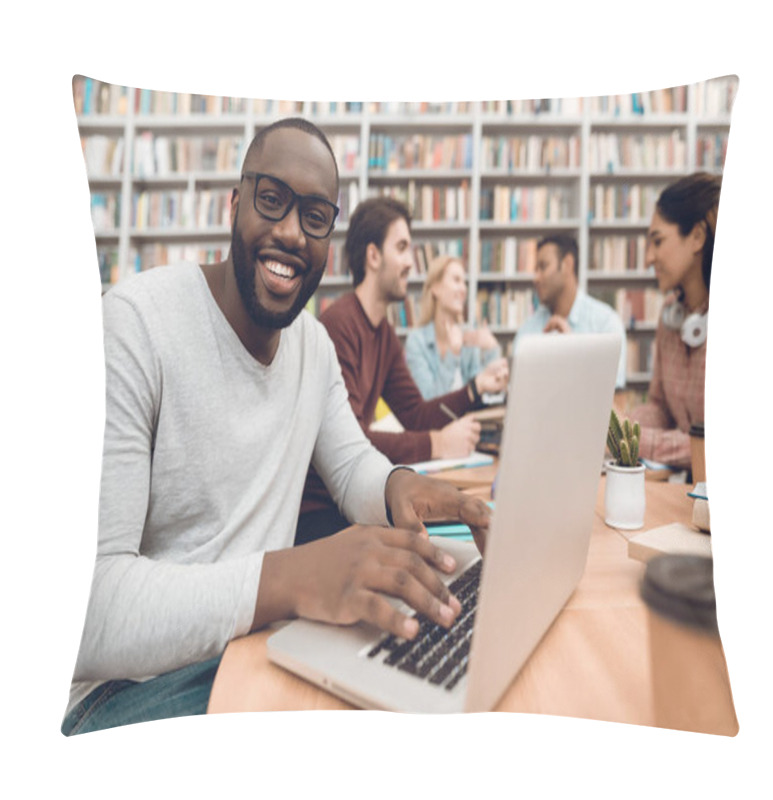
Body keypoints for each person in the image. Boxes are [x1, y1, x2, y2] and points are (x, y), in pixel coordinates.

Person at [62, 118, 490, 735]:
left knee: (436, 664)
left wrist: (399, 485)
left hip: (256, 643)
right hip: (123, 694)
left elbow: (351, 465)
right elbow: (89, 613)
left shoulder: (311, 347)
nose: (291, 232)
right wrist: (290, 578)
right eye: (271, 200)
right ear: (234, 205)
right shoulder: (134, 326)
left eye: (315, 216)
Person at [296, 197, 508, 544]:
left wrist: (474, 389)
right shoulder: (339, 324)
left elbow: (413, 413)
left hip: (354, 504)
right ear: (373, 256)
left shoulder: (384, 335)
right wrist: (436, 443)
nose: (412, 262)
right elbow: (353, 440)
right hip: (323, 514)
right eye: (402, 247)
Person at [630, 172, 721, 471]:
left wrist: (638, 441)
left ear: (696, 237)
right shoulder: (671, 313)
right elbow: (661, 408)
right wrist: (616, 425)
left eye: (658, 241)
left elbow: (715, 445)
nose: (648, 258)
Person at [512, 234, 627, 389]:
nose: (536, 278)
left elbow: (615, 399)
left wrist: (573, 352)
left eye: (543, 267)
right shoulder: (527, 332)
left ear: (567, 264)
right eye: (535, 269)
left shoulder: (606, 325)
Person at [405, 255, 509, 400]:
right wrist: (452, 354)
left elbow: (485, 394)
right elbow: (428, 402)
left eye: (464, 282)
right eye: (456, 280)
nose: (463, 289)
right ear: (435, 288)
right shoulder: (417, 342)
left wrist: (492, 349)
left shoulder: (468, 339)